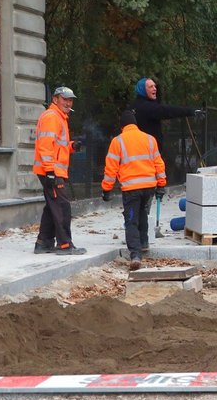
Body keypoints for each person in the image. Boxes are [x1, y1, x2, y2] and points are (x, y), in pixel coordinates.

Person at [102, 110, 166, 270]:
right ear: (135, 123)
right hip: (149, 186)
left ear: (122, 125)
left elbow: (111, 168)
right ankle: (144, 243)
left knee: (131, 220)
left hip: (131, 188)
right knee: (143, 213)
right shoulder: (150, 139)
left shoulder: (118, 142)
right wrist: (161, 184)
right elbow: (159, 163)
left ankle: (136, 255)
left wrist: (106, 189)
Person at [33, 86, 87, 255]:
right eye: (65, 99)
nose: (68, 102)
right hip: (51, 171)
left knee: (52, 206)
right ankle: (64, 245)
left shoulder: (60, 117)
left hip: (51, 170)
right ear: (55, 99)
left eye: (70, 100)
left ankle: (43, 243)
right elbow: (45, 146)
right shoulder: (52, 117)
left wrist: (72, 146)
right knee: (62, 207)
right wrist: (50, 171)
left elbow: (57, 145)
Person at [129, 77, 202, 173]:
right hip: (148, 153)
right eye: (151, 87)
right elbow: (168, 111)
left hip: (136, 151)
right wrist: (191, 111)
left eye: (155, 86)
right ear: (143, 90)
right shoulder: (147, 107)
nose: (155, 88)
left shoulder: (133, 106)